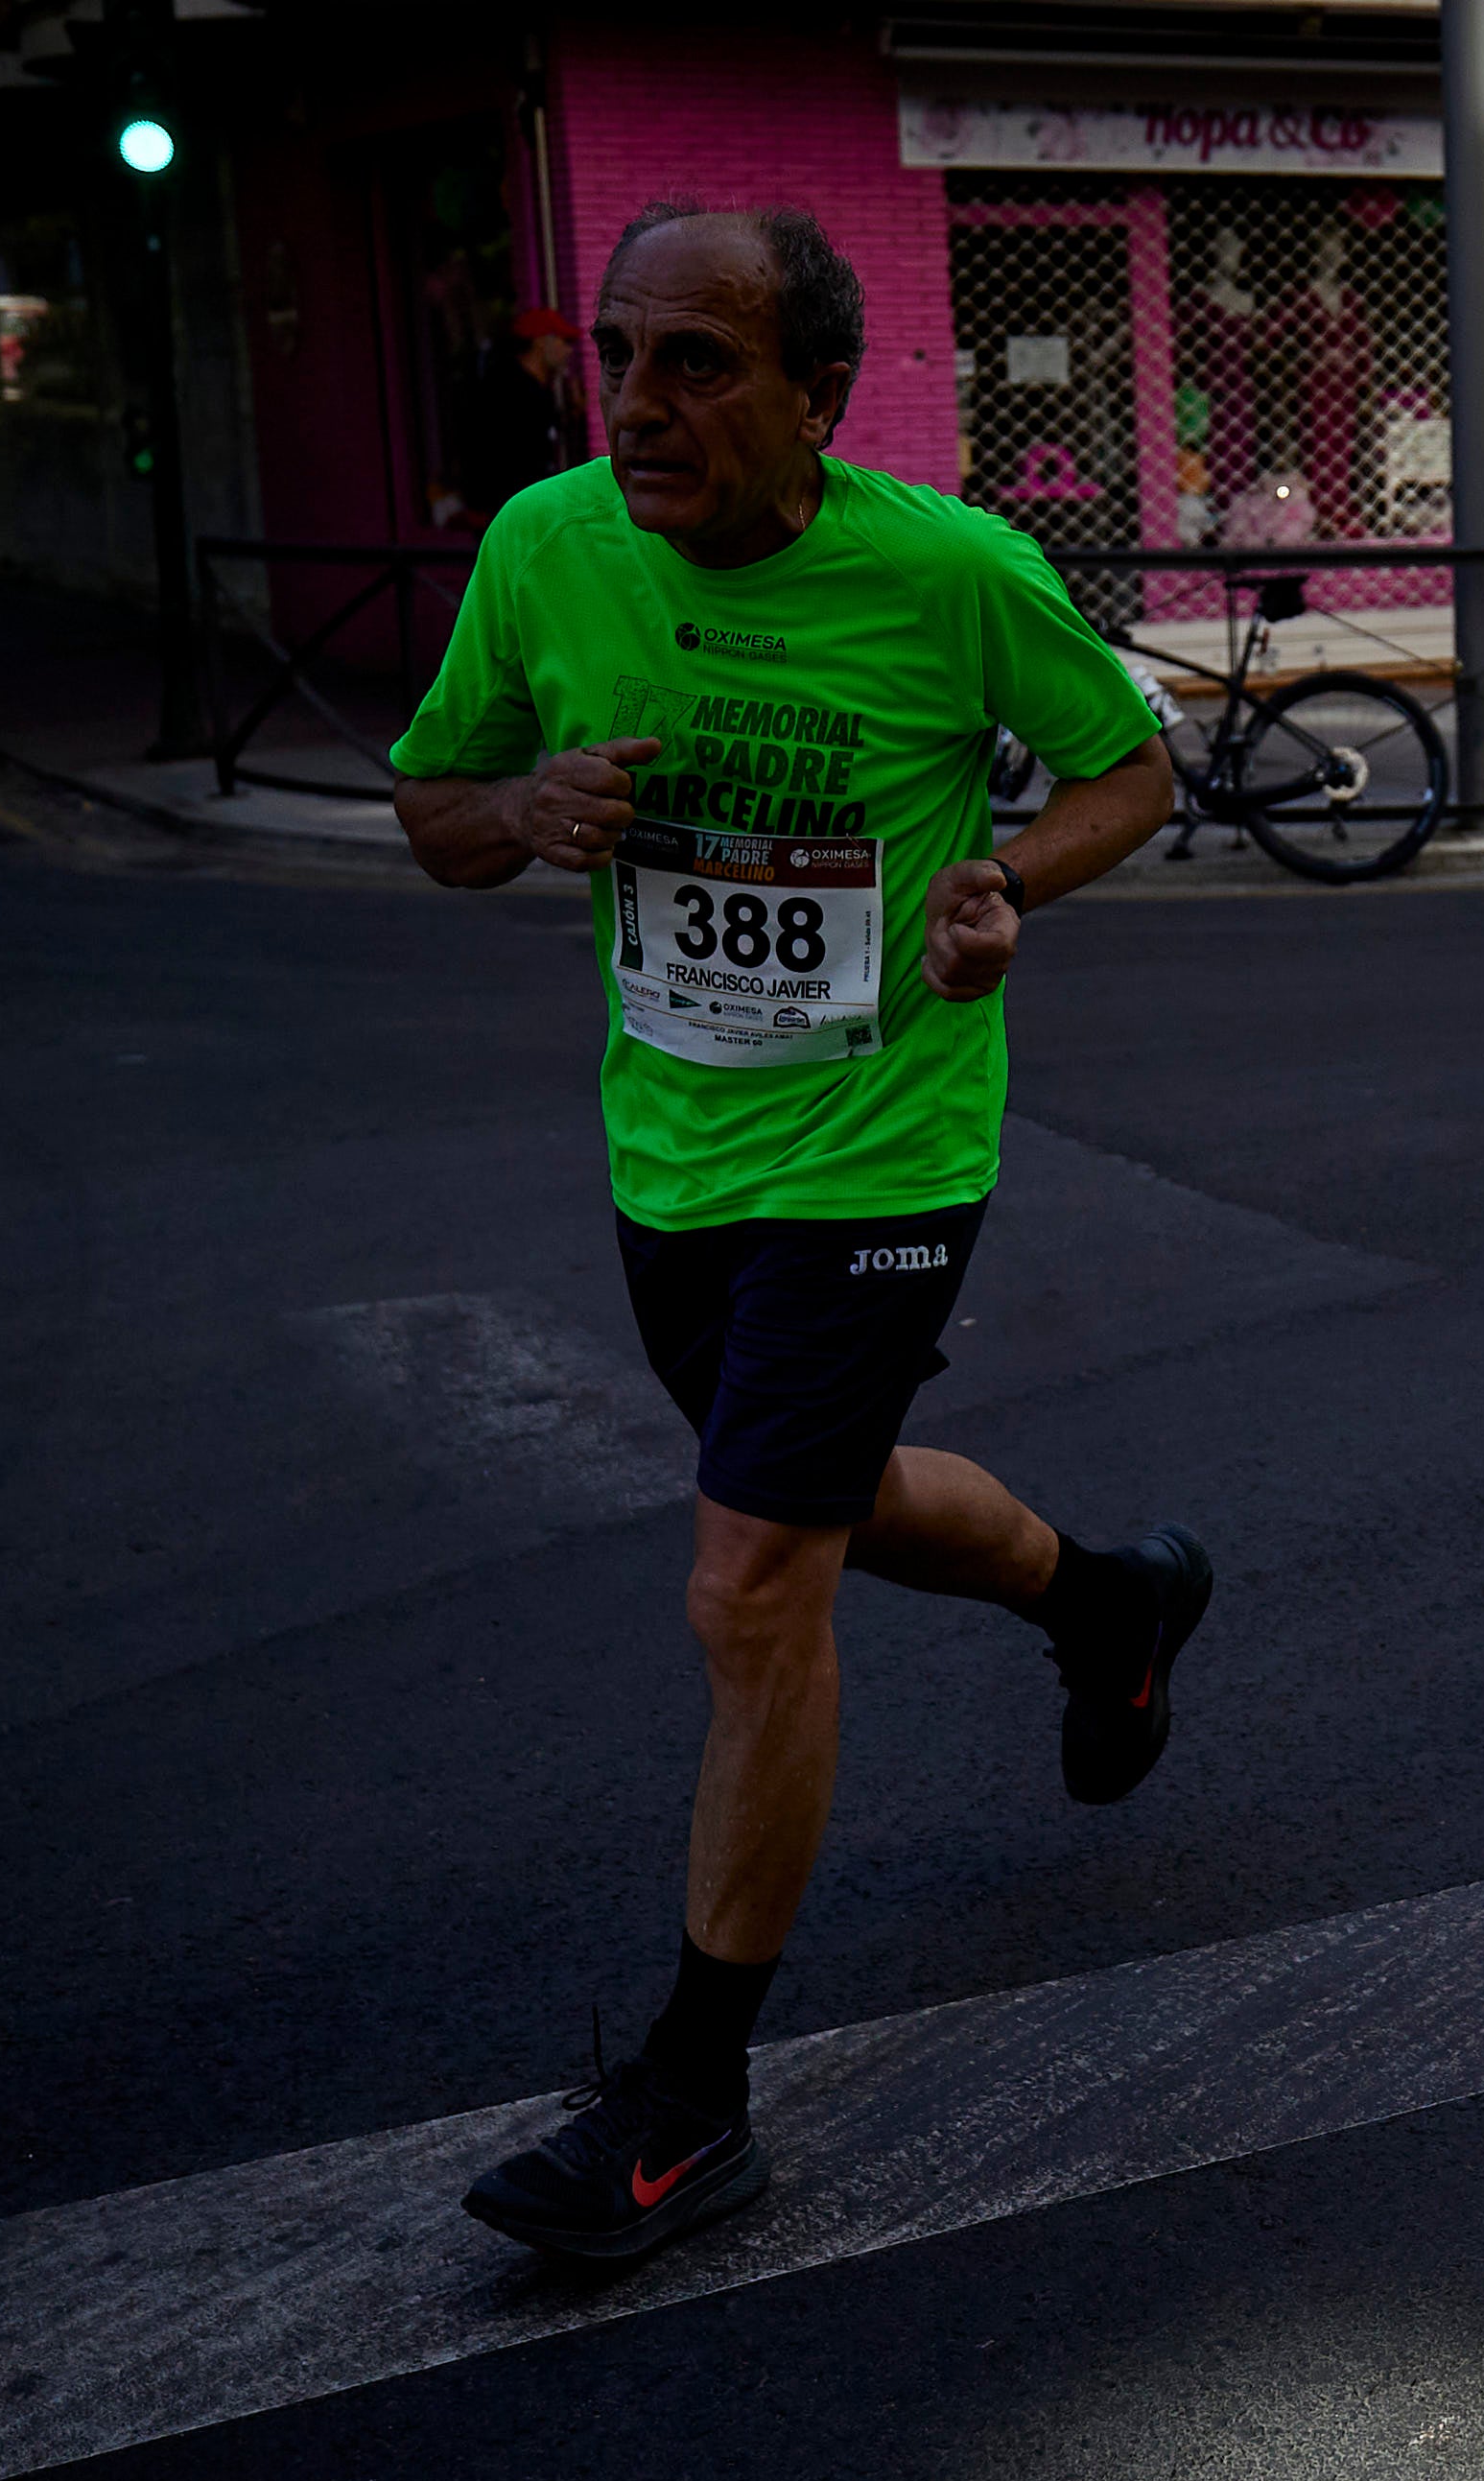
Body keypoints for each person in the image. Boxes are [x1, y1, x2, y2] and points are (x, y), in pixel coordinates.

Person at [389, 201, 1211, 2264]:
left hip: (881, 1148)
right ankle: (1105, 1602)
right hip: (671, 1154)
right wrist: (520, 810)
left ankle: (689, 2097)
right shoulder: (547, 546)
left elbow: (1131, 771)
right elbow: (433, 809)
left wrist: (1008, 881)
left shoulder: (951, 572)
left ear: (819, 395)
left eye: (700, 362)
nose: (638, 403)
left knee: (752, 1580)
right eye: (619, 354)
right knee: (827, 1501)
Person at [464, 306, 585, 516]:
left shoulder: (539, 389)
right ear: (541, 342)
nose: (569, 351)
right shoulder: (507, 390)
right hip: (510, 509)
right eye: (564, 341)